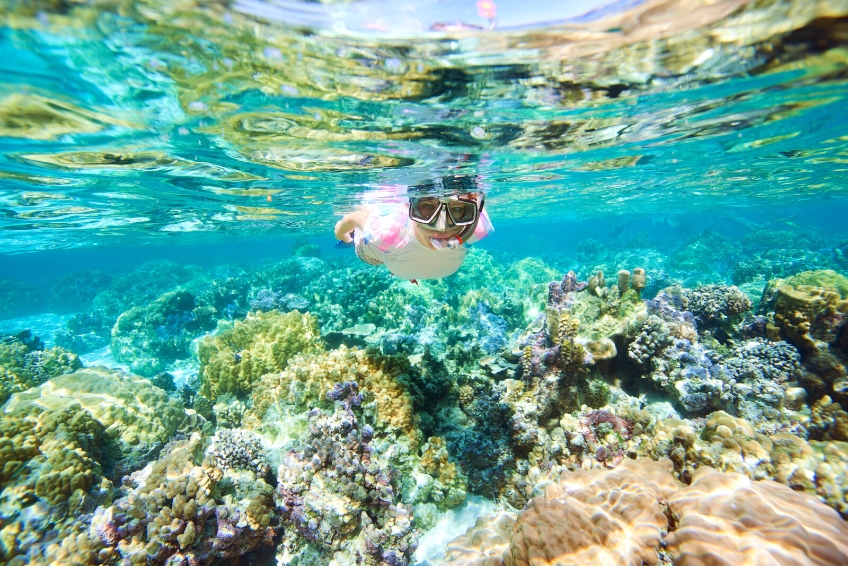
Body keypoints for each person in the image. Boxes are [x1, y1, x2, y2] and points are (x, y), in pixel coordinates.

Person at [333, 175, 493, 281]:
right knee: (369, 218)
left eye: (457, 210)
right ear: (408, 207)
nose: (442, 227)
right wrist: (342, 233)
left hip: (395, 256)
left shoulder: (475, 228)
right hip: (373, 254)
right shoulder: (386, 234)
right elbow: (353, 217)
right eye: (427, 207)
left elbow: (478, 201)